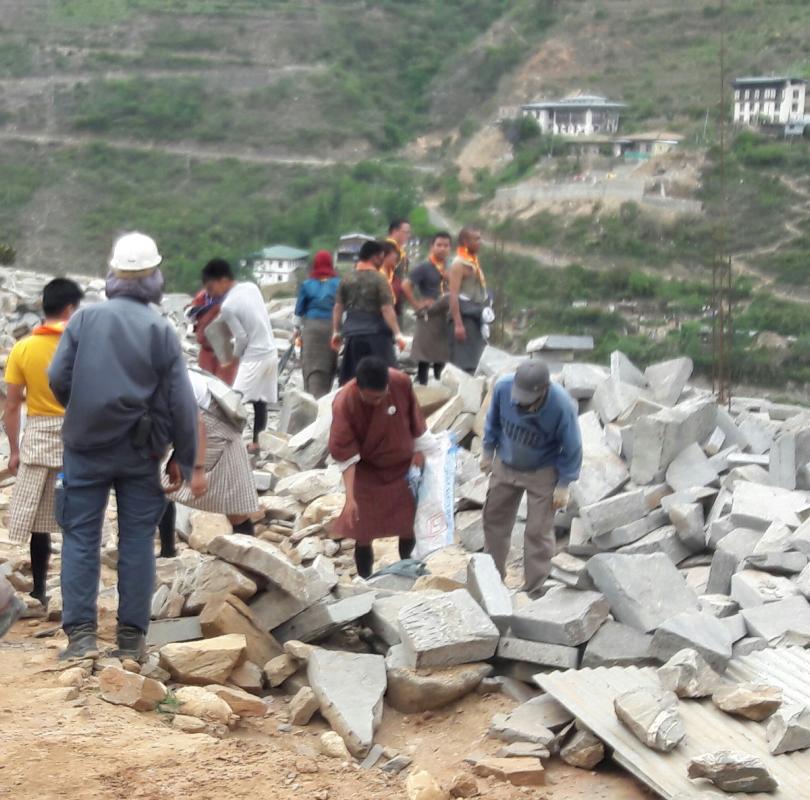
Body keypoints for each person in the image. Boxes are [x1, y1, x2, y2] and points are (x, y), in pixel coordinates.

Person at [49, 232, 198, 661]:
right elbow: (180, 401)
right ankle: (131, 640)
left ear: (113, 273)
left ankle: (81, 638)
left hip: (85, 447)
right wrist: (183, 458)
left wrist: (81, 409)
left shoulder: (83, 320)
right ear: (154, 275)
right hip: (140, 452)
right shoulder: (161, 329)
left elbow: (58, 378)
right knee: (136, 541)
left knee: (80, 537)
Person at [4, 278, 83, 610]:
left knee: (39, 522)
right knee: (76, 517)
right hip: (77, 437)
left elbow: (11, 406)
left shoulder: (22, 348)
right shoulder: (82, 345)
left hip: (37, 436)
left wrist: (14, 450)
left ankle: (39, 590)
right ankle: (76, 592)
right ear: (69, 309)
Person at [481, 360, 582, 599]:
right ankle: (491, 581)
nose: (519, 402)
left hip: (542, 470)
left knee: (538, 530)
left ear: (543, 390)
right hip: (506, 464)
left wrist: (564, 484)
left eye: (526, 399)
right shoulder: (504, 388)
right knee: (494, 519)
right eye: (518, 396)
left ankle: (535, 589)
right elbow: (492, 420)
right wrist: (487, 451)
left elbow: (573, 447)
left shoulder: (561, 405)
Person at [329, 356, 435, 578]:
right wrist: (350, 498)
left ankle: (408, 571)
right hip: (367, 470)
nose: (378, 402)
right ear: (359, 387)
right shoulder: (344, 401)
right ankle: (365, 578)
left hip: (402, 466)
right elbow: (345, 454)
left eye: (381, 396)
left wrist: (419, 451)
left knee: (408, 522)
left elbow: (415, 419)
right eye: (371, 399)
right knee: (363, 529)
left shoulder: (401, 383)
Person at [158, 368, 260, 557]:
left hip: (215, 426)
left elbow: (197, 423)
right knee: (163, 485)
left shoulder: (159, 378)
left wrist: (197, 470)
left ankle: (249, 562)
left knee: (236, 507)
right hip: (205, 423)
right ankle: (167, 552)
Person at [202, 258, 278, 450]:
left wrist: (231, 359)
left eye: (211, 288)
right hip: (270, 352)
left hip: (254, 357)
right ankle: (257, 441)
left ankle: (227, 445)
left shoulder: (228, 306)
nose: (211, 294)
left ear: (222, 280)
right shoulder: (251, 287)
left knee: (234, 402)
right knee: (260, 400)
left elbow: (242, 337)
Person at [332, 240, 406, 386]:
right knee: (386, 378)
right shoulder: (379, 279)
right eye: (381, 257)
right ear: (375, 257)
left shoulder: (347, 278)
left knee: (353, 380)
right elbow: (386, 309)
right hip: (376, 335)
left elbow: (338, 307)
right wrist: (398, 334)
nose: (382, 260)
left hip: (353, 336)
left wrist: (336, 332)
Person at [402, 231, 452, 385]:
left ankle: (441, 387)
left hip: (446, 315)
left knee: (442, 355)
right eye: (439, 245)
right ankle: (423, 388)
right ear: (432, 246)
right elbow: (406, 285)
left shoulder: (450, 267)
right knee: (424, 356)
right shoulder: (424, 266)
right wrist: (416, 304)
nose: (442, 249)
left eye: (446, 246)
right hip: (428, 315)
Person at [294, 250, 340, 398]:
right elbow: (342, 308)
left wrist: (296, 330)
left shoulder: (307, 285)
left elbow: (299, 311)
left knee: (311, 363)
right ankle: (323, 397)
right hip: (331, 328)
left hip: (311, 328)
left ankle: (311, 397)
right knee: (327, 364)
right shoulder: (338, 284)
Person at [448, 227, 489, 374]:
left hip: (477, 313)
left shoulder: (473, 262)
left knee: (477, 356)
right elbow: (453, 295)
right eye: (476, 239)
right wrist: (458, 324)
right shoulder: (458, 264)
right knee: (464, 361)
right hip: (464, 315)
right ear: (465, 241)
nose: (480, 242)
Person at [186, 285, 238, 385]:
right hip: (206, 349)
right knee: (205, 383)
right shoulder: (203, 296)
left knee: (224, 387)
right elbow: (190, 314)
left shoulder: (233, 296)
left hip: (226, 350)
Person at [386, 219, 411, 322]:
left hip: (398, 300)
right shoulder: (385, 250)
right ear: (395, 231)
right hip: (387, 299)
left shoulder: (401, 252)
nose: (408, 235)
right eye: (405, 232)